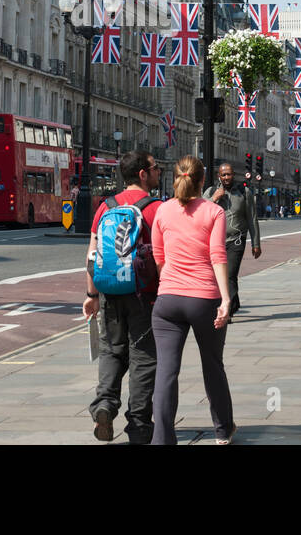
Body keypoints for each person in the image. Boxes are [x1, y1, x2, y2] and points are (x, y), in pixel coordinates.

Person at [150, 155, 235, 445]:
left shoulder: (162, 211)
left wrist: (171, 283)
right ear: (202, 180)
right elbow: (218, 256)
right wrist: (226, 299)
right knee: (212, 364)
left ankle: (162, 438)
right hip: (204, 300)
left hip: (168, 301)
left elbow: (158, 257)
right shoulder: (213, 211)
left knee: (166, 370)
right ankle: (222, 431)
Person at [83, 151, 163, 445]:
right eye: (155, 168)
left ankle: (104, 405)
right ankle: (140, 425)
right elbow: (164, 257)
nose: (158, 172)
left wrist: (91, 294)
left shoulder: (106, 206)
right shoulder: (156, 209)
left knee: (112, 351)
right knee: (144, 358)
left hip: (109, 292)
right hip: (144, 295)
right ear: (142, 174)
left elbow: (92, 254)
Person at [202, 162, 261, 314]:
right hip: (216, 242)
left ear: (233, 175)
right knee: (220, 276)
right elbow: (200, 212)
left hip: (236, 239)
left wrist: (256, 244)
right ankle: (234, 304)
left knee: (229, 275)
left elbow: (252, 218)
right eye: (224, 175)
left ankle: (227, 310)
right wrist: (213, 199)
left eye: (229, 174)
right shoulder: (211, 191)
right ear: (219, 176)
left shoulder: (244, 192)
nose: (227, 177)